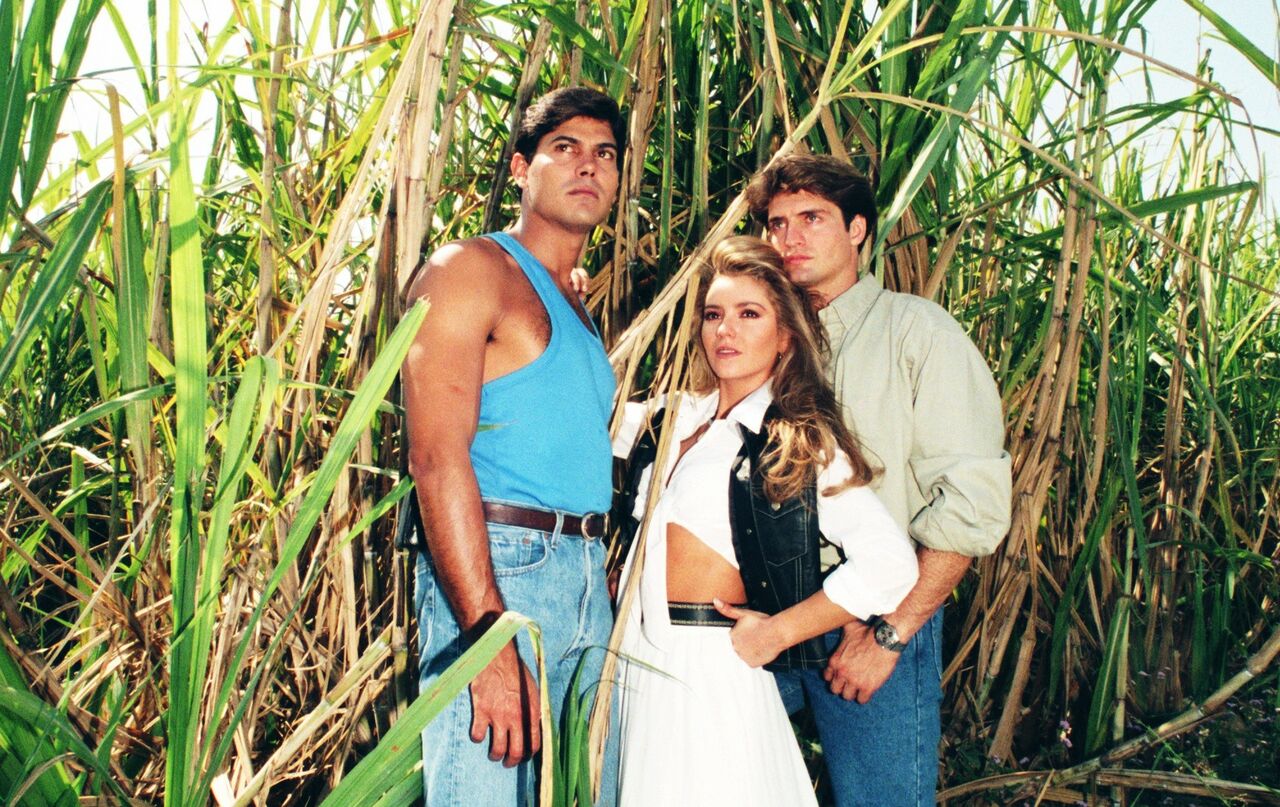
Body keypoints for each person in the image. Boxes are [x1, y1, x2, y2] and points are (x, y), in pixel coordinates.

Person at [610, 236, 919, 806]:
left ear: (784, 337)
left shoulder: (795, 441)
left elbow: (891, 564)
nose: (725, 330)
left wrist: (778, 633)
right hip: (630, 660)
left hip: (708, 670)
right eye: (713, 315)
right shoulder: (670, 417)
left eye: (748, 314)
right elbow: (584, 409)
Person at [744, 154, 1013, 806]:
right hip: (762, 610)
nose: (790, 237)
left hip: (869, 618)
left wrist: (890, 633)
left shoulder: (917, 332)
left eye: (812, 218)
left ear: (858, 229)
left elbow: (970, 505)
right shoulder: (759, 339)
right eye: (777, 223)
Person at [400, 86, 624, 806]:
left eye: (605, 154)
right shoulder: (468, 268)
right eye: (565, 148)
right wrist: (488, 638)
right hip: (502, 574)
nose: (588, 165)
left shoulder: (577, 302)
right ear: (523, 168)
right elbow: (435, 458)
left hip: (586, 580)